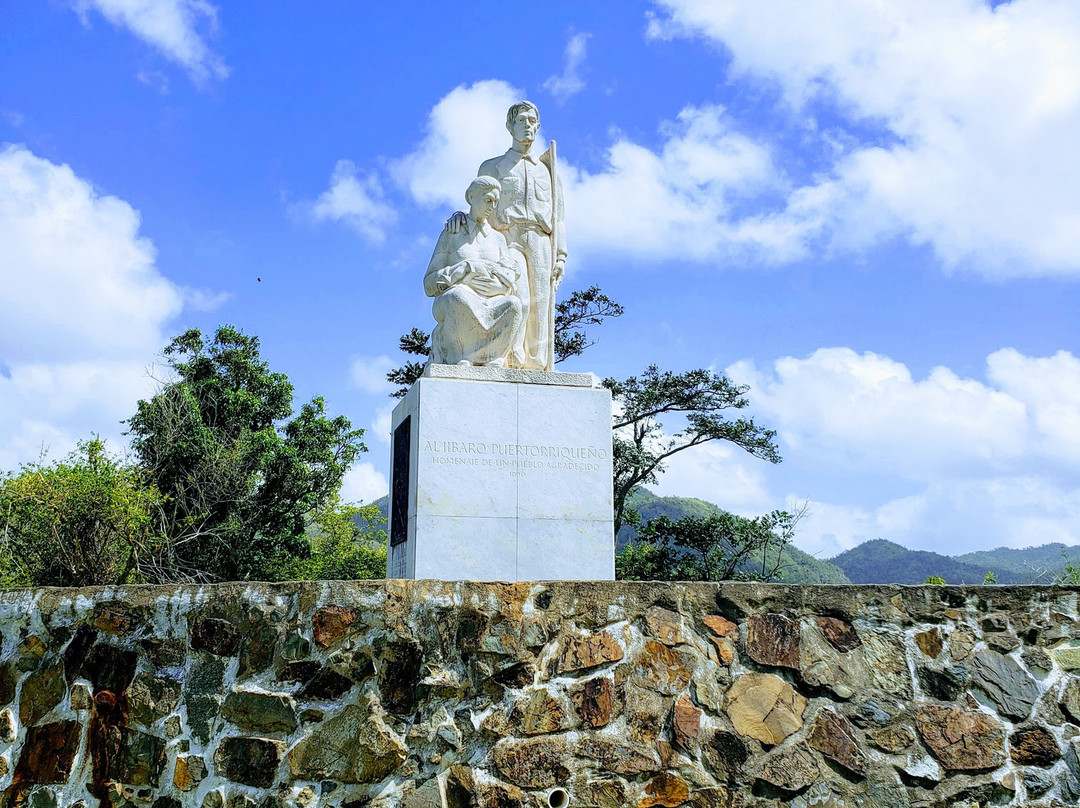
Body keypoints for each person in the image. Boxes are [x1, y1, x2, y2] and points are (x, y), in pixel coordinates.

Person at [447, 101, 565, 371]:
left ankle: (537, 364)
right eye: (521, 120)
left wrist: (561, 256)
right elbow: (477, 203)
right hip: (505, 237)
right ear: (509, 126)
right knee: (518, 298)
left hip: (540, 238)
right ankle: (510, 356)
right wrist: (460, 216)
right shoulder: (493, 166)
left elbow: (559, 218)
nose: (528, 125)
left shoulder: (547, 171)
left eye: (532, 121)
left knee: (541, 302)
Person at [425, 176, 526, 367]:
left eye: (496, 202)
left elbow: (512, 272)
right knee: (458, 296)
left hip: (492, 298)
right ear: (471, 197)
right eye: (488, 199)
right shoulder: (452, 232)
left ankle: (494, 357)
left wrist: (501, 285)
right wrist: (465, 268)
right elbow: (429, 284)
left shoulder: (497, 239)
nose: (492, 206)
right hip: (455, 298)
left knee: (513, 304)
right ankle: (461, 356)